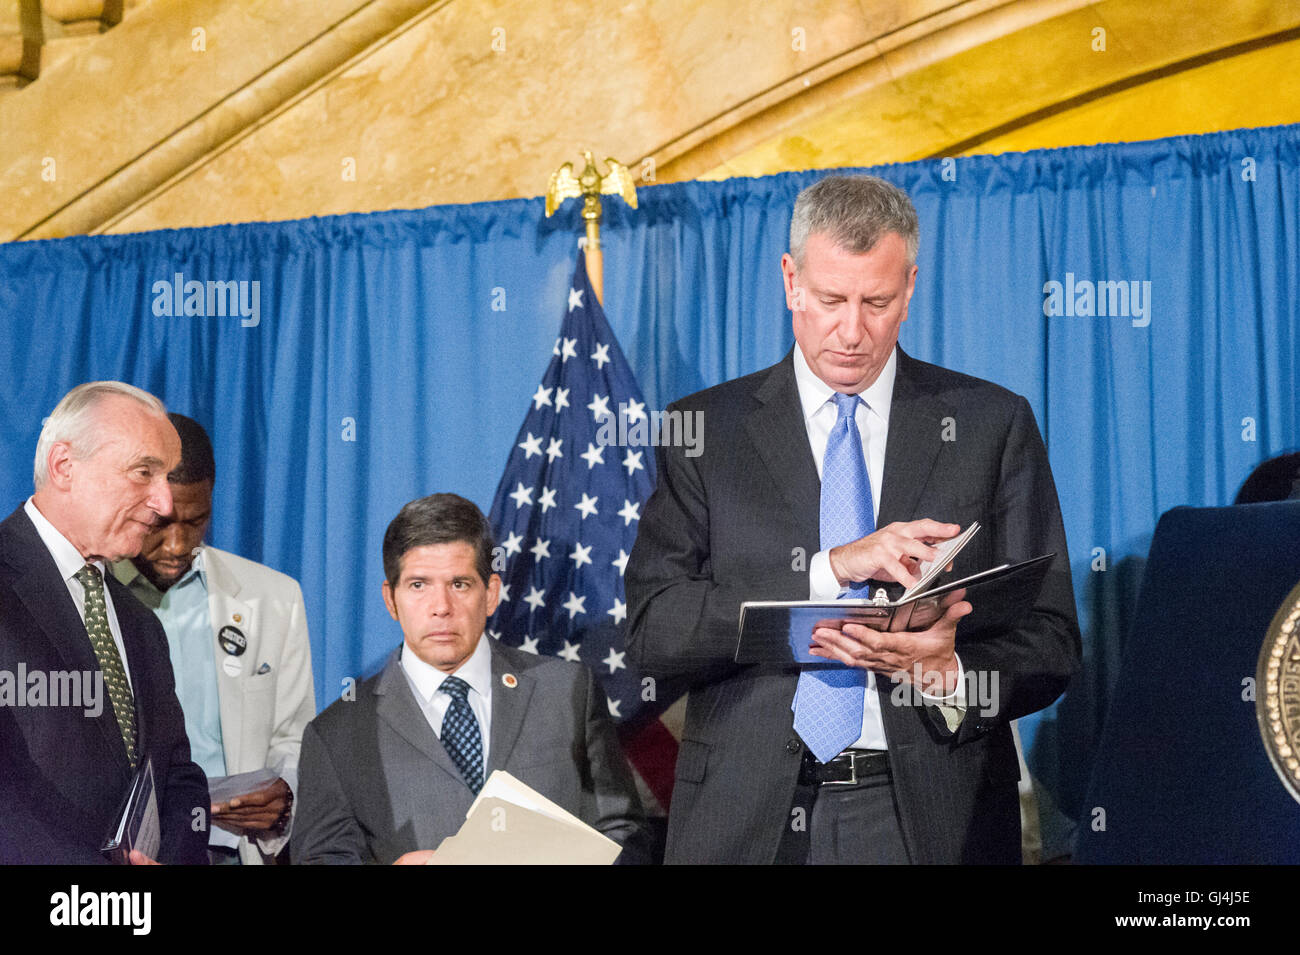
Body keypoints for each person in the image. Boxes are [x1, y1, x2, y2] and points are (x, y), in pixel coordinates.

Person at [625, 175, 1082, 864]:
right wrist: (829, 569)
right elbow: (655, 629)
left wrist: (951, 670)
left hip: (928, 817)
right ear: (790, 280)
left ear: (910, 288)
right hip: (745, 819)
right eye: (831, 299)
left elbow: (1051, 642)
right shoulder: (704, 431)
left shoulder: (991, 424)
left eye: (877, 302)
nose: (851, 329)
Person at [292, 493, 649, 864]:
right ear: (390, 599)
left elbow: (625, 834)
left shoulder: (569, 692)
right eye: (419, 585)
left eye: (459, 584)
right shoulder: (336, 735)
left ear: (490, 594)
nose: (441, 607)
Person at [0, 381, 209, 864]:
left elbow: (176, 774)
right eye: (144, 472)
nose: (165, 504)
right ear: (64, 467)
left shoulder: (139, 620)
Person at [110, 414, 315, 865]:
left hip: (232, 852)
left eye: (196, 521)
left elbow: (295, 736)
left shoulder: (274, 597)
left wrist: (283, 796)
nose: (178, 545)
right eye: (161, 523)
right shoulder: (92, 595)